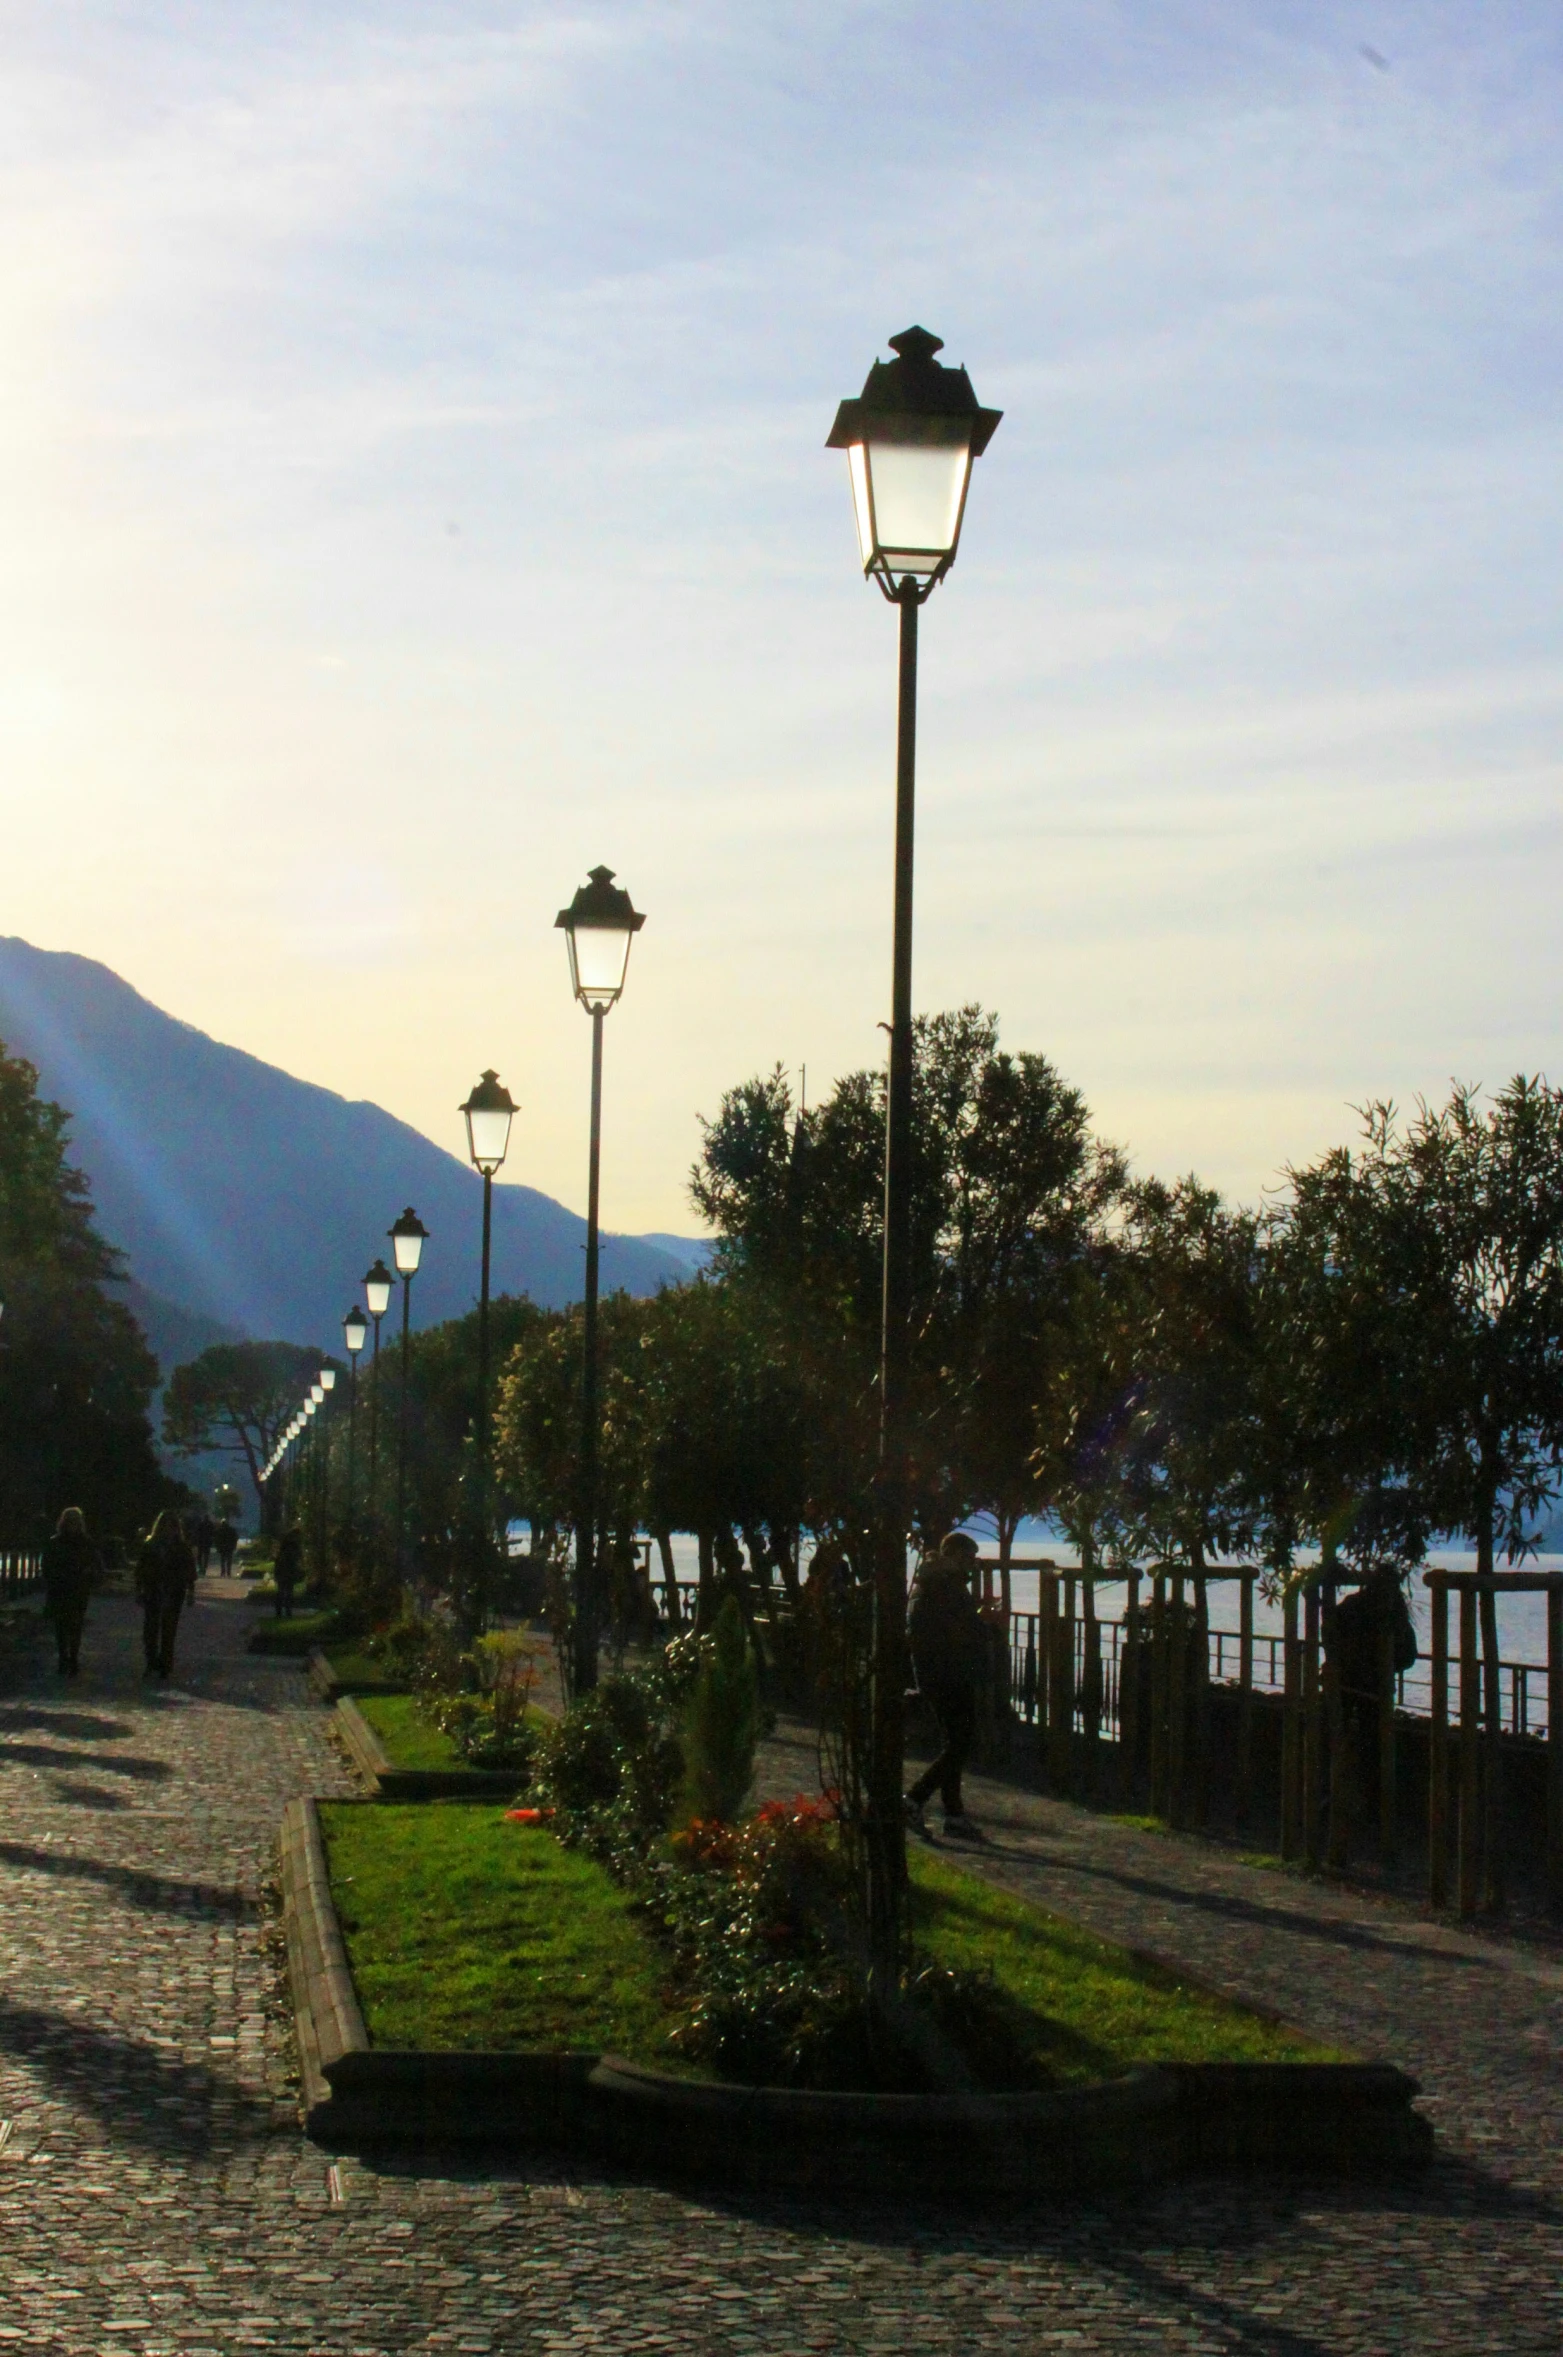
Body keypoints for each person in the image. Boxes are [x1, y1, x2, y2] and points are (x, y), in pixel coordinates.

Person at [904, 1530, 987, 1840]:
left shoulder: (929, 1583)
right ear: (953, 1555)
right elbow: (958, 1630)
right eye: (968, 1557)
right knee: (959, 1742)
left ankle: (954, 1814)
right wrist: (986, 1624)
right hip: (949, 1672)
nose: (971, 1564)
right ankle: (914, 1798)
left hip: (935, 1671)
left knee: (955, 1740)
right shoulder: (946, 1586)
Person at [41, 1506, 103, 1677]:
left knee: (74, 1625)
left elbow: (96, 1565)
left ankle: (72, 1658)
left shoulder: (84, 1543)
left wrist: (89, 1576)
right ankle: (64, 1658)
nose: (73, 1525)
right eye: (70, 1522)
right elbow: (47, 1566)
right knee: (62, 1626)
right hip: (62, 1589)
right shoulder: (57, 1543)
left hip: (77, 1589)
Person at [137, 1510, 196, 1679]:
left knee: (169, 1629)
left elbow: (189, 1569)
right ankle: (151, 1661)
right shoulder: (150, 1545)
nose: (169, 1530)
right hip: (153, 1590)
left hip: (174, 1591)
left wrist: (191, 1590)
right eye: (166, 1526)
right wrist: (139, 1588)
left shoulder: (182, 1547)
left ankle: (165, 1663)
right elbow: (141, 1569)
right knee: (150, 1629)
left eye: (173, 1526)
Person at [273, 1526, 303, 1620]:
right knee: (287, 1591)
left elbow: (277, 1557)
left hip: (283, 1570)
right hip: (287, 1570)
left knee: (282, 1591)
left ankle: (281, 1612)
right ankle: (286, 1611)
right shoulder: (293, 1546)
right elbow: (297, 1557)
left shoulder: (284, 1544)